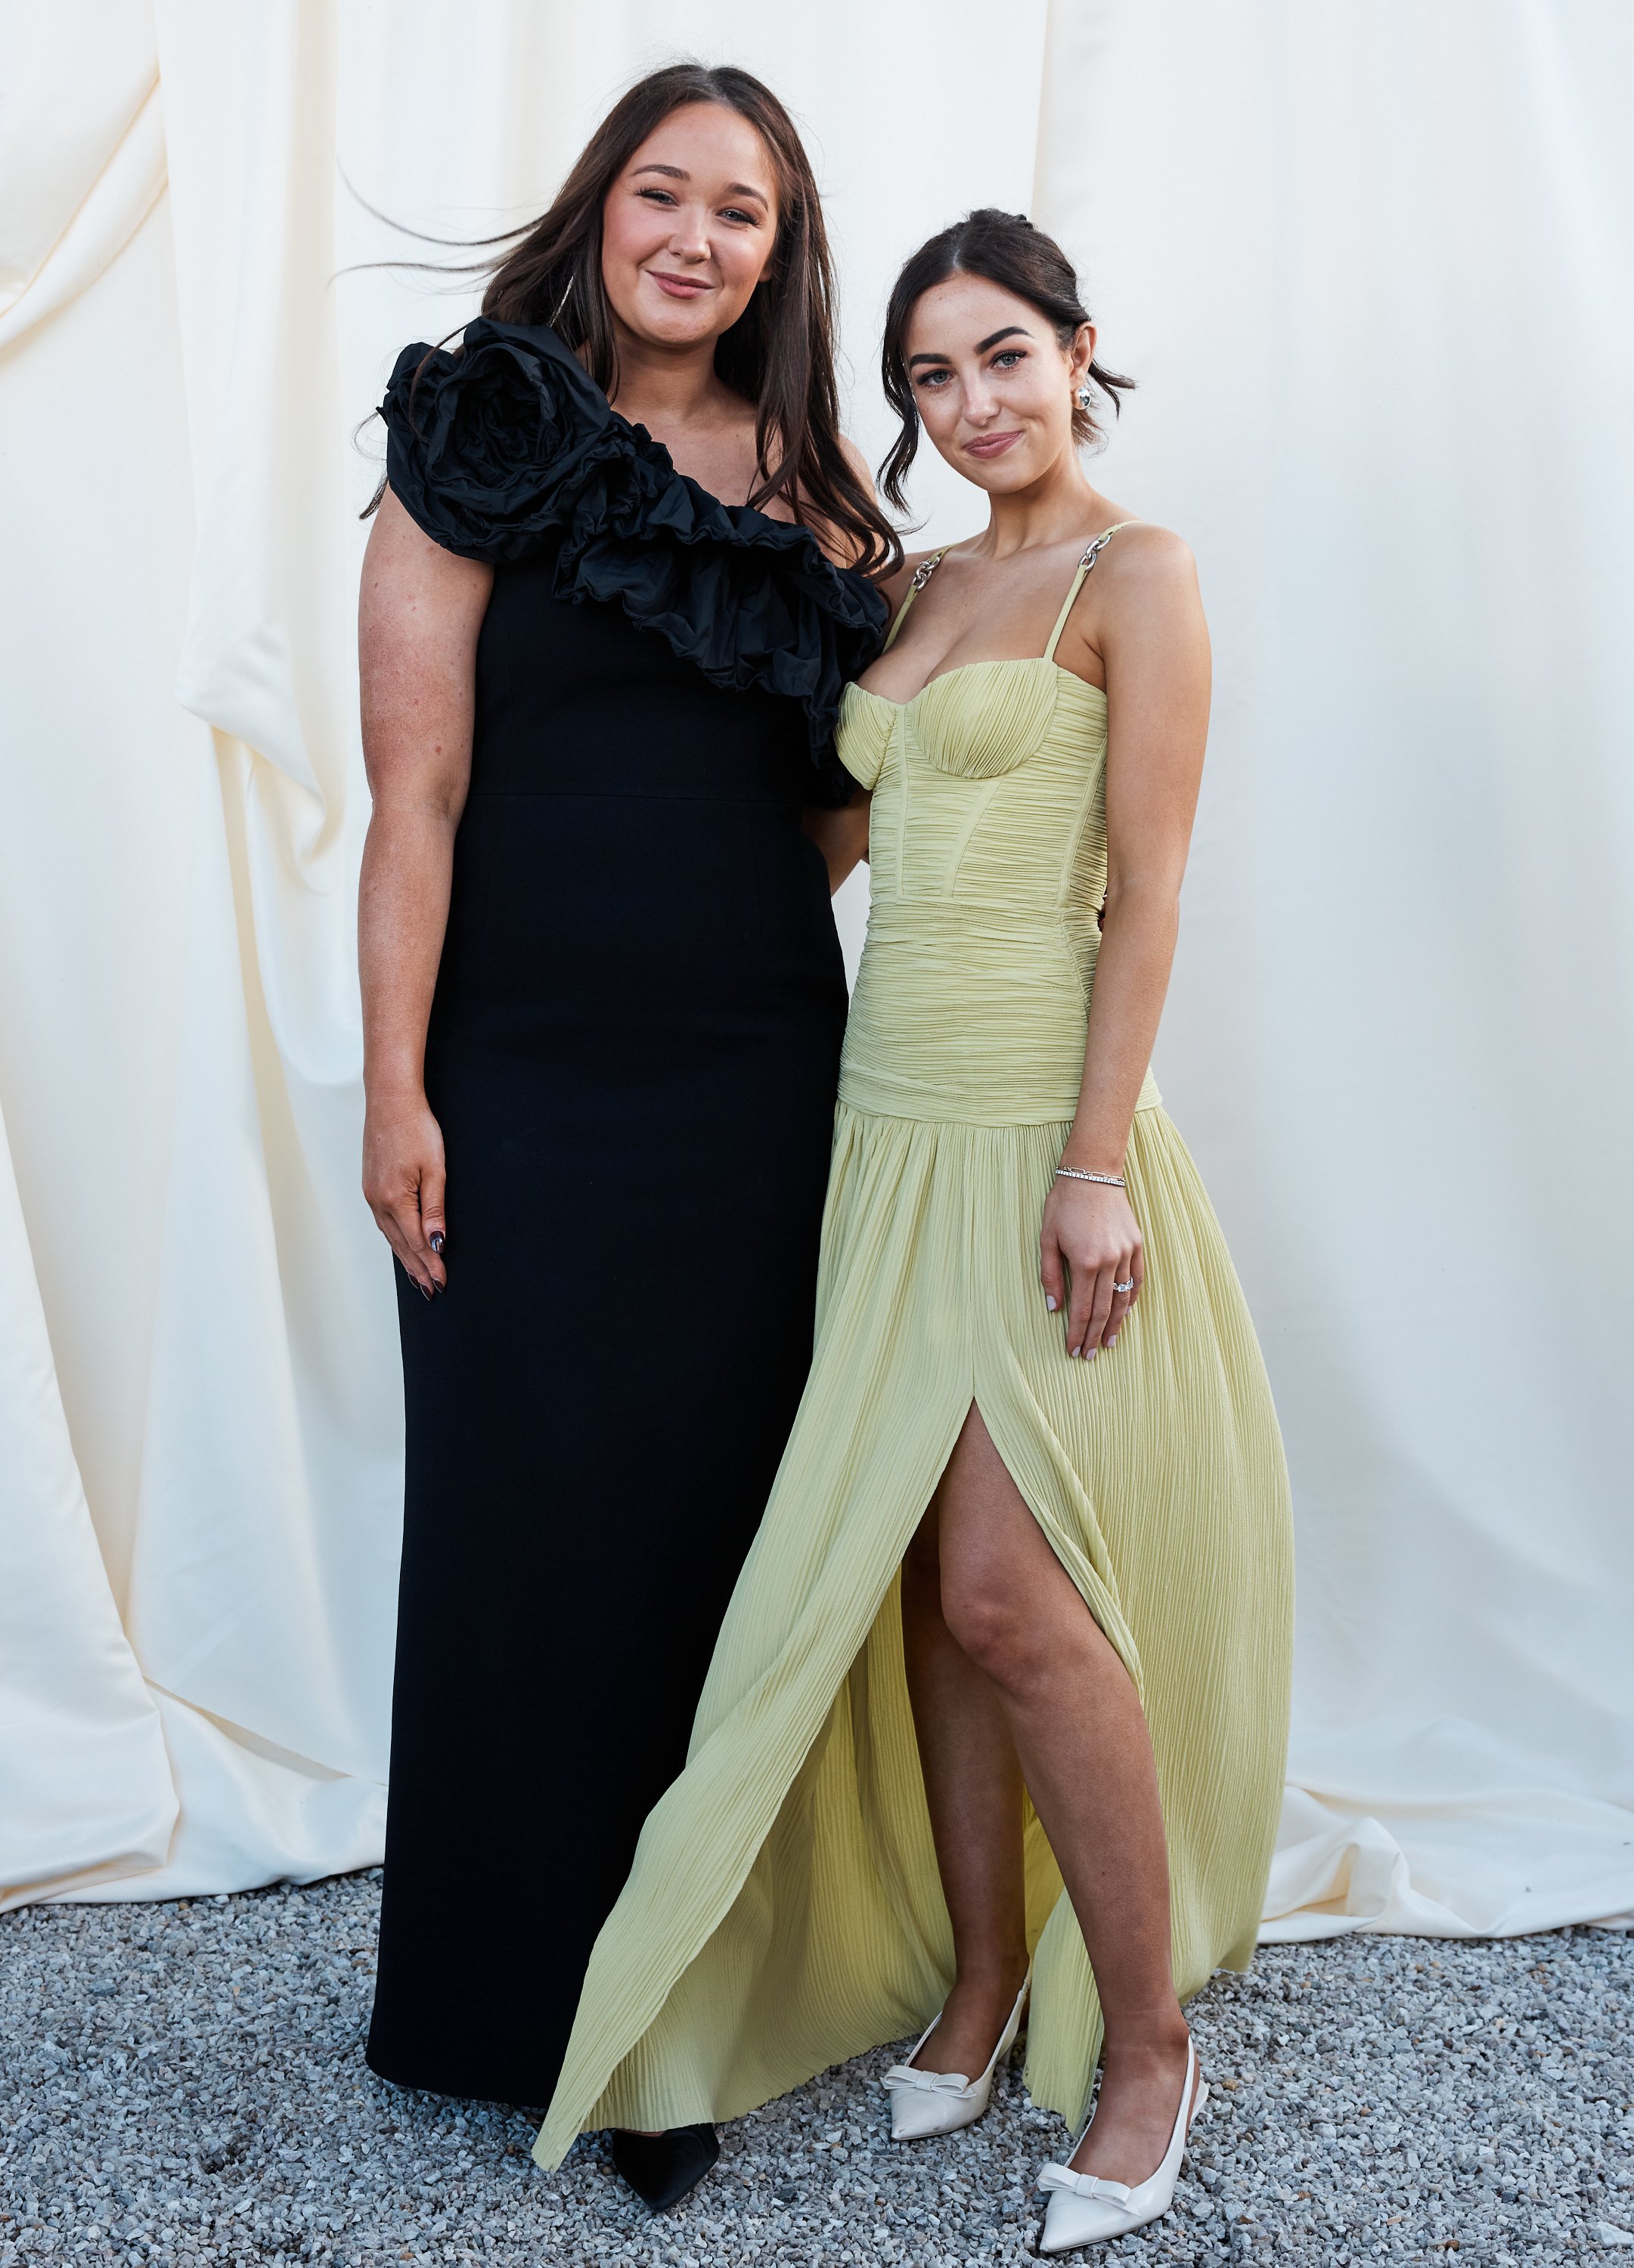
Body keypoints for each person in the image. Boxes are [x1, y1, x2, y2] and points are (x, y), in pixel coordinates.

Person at [532, 209, 1293, 2257]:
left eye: (1005, 360)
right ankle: (973, 1978)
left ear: (1080, 349)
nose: (972, 408)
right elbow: (816, 839)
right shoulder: (918, 586)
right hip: (878, 1132)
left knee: (1014, 1593)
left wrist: (1098, 1160)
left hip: (1041, 1130)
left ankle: (1146, 2050)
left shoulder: (1139, 575)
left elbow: (1147, 894)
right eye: (933, 378)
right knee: (927, 1595)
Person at [354, 64, 894, 2214]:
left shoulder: (826, 501)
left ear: (782, 252)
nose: (695, 236)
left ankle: (666, 2015)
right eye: (662, 193)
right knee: (519, 1511)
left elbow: (849, 805)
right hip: (520, 1063)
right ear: (598, 210)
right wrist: (396, 1081)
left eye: (740, 212)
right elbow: (415, 796)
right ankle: (490, 2002)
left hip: (756, 1070)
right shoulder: (486, 430)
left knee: (708, 1528)